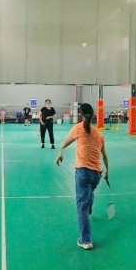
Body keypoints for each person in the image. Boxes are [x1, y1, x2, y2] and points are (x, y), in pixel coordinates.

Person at [54, 103, 109, 251]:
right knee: (90, 192)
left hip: (83, 172)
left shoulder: (78, 128)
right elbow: (104, 156)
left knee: (81, 206)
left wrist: (60, 150)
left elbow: (66, 141)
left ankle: (85, 240)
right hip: (96, 174)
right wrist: (107, 171)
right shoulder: (99, 135)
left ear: (81, 115)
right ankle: (89, 207)